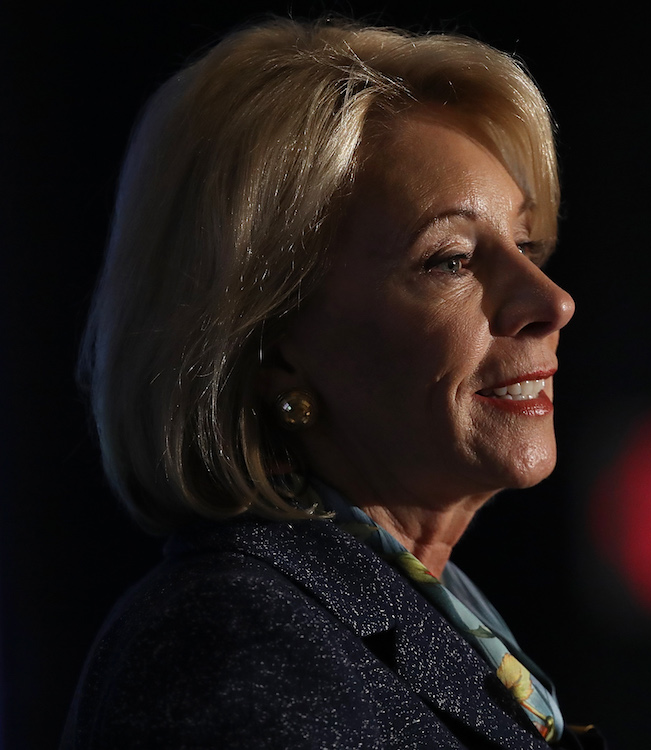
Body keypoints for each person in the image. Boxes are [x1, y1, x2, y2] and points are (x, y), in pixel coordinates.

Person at [61, 17, 599, 749]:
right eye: (450, 259)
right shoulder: (232, 642)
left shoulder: (401, 618)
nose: (551, 301)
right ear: (272, 344)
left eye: (526, 243)